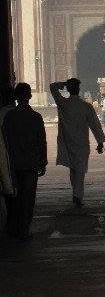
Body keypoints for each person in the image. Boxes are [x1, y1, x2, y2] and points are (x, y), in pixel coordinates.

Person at [50, 79, 105, 207]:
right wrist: (100, 141)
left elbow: (53, 87)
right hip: (82, 142)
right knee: (80, 170)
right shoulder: (85, 106)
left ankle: (76, 193)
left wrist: (64, 84)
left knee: (73, 169)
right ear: (79, 89)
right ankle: (77, 195)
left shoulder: (63, 103)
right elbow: (95, 125)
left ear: (68, 89)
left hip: (68, 142)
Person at [2, 83, 47, 240]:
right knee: (28, 198)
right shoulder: (35, 117)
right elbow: (42, 141)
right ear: (30, 96)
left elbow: (4, 141)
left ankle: (12, 226)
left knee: (13, 197)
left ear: (16, 97)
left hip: (12, 163)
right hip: (30, 163)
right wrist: (43, 161)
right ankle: (24, 228)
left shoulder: (9, 117)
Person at [0, 86, 16, 233]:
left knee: (8, 191)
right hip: (20, 158)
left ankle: (10, 222)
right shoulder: (22, 114)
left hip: (6, 159)